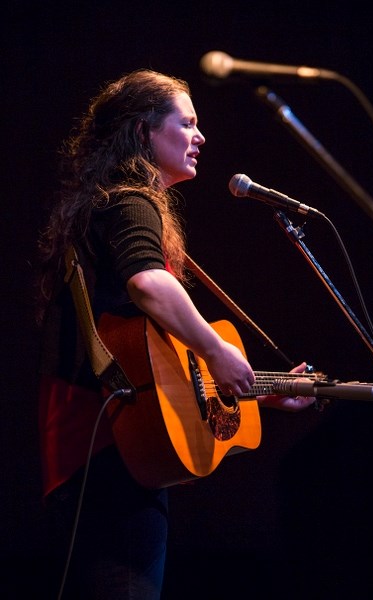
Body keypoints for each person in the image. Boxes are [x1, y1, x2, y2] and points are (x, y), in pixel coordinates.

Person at [36, 69, 316, 600]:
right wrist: (215, 351)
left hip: (109, 450)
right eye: (186, 123)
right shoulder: (128, 201)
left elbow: (159, 363)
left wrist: (252, 385)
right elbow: (148, 284)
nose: (201, 137)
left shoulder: (109, 204)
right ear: (144, 132)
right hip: (106, 450)